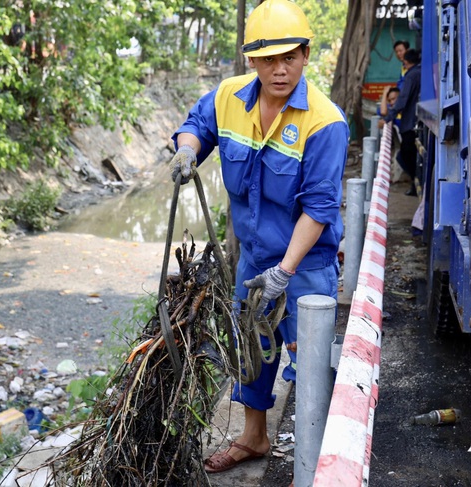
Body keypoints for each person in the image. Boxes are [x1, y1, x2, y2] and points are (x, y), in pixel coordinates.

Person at [168, 0, 349, 475]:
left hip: (305, 265)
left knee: (307, 362)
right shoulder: (229, 97)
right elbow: (197, 126)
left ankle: (314, 466)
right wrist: (186, 153)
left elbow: (320, 208)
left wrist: (285, 272)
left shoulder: (324, 122)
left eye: (289, 57)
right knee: (249, 348)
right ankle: (254, 437)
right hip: (253, 257)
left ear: (306, 55)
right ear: (252, 60)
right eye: (268, 59)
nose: (280, 69)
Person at [384, 48, 421, 196]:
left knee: (405, 154)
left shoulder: (411, 76)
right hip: (417, 121)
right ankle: (415, 183)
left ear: (406, 62)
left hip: (410, 123)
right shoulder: (421, 72)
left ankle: (415, 182)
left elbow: (402, 100)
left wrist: (388, 118)